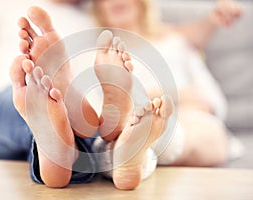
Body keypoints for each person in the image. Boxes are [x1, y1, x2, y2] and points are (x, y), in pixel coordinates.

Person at [11, 6, 173, 190]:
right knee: (43, 103)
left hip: (39, 95)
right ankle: (78, 144)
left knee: (40, 106)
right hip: (43, 93)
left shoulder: (173, 40)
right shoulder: (95, 31)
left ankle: (71, 152)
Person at [92, 0, 243, 167]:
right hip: (131, 117)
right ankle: (139, 142)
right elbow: (96, 107)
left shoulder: (175, 43)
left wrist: (172, 96)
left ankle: (144, 144)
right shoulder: (100, 56)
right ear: (99, 9)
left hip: (186, 113)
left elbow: (211, 99)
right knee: (118, 130)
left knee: (206, 134)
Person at [0, 0, 98, 158]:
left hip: (62, 105)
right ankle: (59, 134)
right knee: (26, 101)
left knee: (75, 125)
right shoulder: (4, 4)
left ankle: (59, 148)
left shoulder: (94, 17)